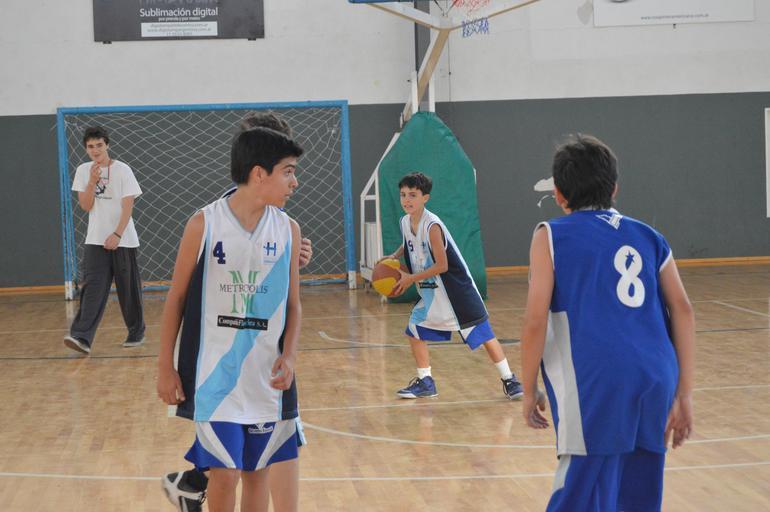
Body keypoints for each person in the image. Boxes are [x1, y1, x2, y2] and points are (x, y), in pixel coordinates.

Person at [519, 134, 695, 511]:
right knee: (640, 490)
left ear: (559, 194)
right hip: (656, 375)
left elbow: (535, 320)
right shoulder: (650, 236)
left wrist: (529, 387)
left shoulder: (550, 235)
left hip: (595, 379)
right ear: (614, 188)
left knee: (578, 490)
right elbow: (683, 309)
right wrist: (684, 394)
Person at [161, 113, 313, 512]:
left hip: (265, 378)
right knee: (225, 476)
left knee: (257, 473)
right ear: (259, 171)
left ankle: (187, 485)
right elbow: (175, 297)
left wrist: (290, 355)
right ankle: (192, 484)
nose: (295, 182)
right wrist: (165, 365)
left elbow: (293, 304)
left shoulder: (288, 229)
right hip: (215, 377)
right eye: (289, 171)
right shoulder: (204, 223)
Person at [380, 172, 524, 400]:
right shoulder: (405, 222)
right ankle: (426, 381)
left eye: (413, 195)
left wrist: (410, 279)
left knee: (484, 334)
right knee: (414, 330)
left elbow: (442, 265)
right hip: (432, 292)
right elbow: (409, 242)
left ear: (425, 198)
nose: (406, 200)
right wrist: (394, 256)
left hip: (457, 291)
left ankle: (510, 380)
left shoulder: (432, 226)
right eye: (403, 195)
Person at [64, 126, 145, 354]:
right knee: (92, 289)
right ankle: (81, 337)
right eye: (90, 146)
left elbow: (128, 206)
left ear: (107, 145)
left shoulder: (123, 170)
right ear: (86, 149)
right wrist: (91, 181)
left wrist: (117, 234)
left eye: (99, 145)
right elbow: (85, 205)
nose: (95, 150)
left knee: (128, 291)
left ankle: (136, 332)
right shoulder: (83, 170)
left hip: (123, 239)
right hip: (95, 240)